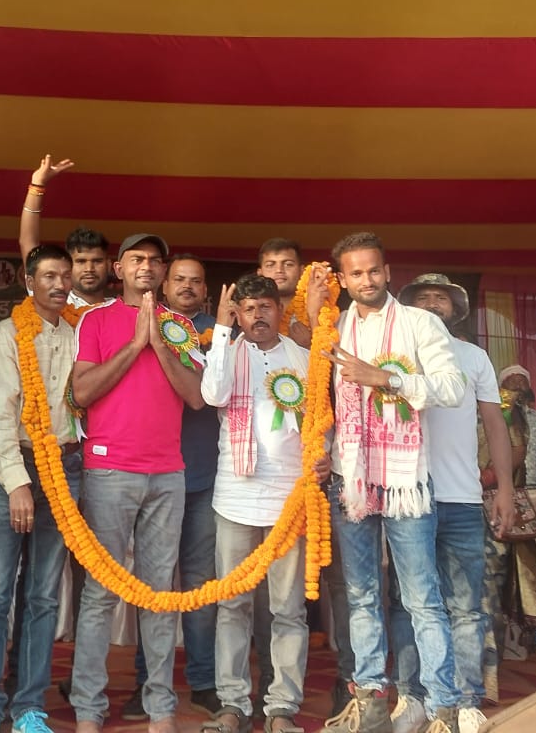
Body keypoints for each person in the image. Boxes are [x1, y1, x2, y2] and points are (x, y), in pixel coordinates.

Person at [322, 232, 465, 733]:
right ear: (343, 279)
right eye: (356, 273)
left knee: (421, 598)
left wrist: (385, 378)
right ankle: (370, 704)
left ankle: (443, 707)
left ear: (388, 271)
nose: (367, 280)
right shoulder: (333, 326)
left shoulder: (420, 322)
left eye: (374, 270)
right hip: (352, 480)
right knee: (360, 596)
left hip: (406, 481)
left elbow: (452, 387)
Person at [68, 234, 206, 733]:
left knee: (158, 593)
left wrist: (159, 343)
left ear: (163, 271)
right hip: (109, 469)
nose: (145, 266)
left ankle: (161, 709)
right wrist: (134, 344)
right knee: (101, 594)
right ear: (119, 269)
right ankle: (87, 709)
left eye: (154, 260)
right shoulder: (96, 319)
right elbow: (82, 391)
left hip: (167, 471)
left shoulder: (182, 325)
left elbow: (195, 397)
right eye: (136, 259)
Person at [199, 275, 326, 733]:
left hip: (288, 503)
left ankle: (281, 710)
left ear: (279, 310)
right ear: (239, 314)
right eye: (248, 308)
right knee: (232, 606)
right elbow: (211, 394)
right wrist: (220, 328)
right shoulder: (226, 352)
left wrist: (324, 457)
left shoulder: (303, 358)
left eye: (265, 307)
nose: (257, 315)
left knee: (287, 611)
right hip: (233, 500)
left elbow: (320, 426)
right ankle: (233, 704)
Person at [390, 274, 516, 733]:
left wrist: (503, 488)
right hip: (406, 495)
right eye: (420, 298)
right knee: (408, 604)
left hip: (461, 496)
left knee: (466, 606)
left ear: (456, 308)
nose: (431, 304)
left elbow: (495, 426)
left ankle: (464, 700)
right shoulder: (395, 354)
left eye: (439, 297)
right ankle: (413, 696)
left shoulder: (474, 357)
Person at [0, 244, 81, 733]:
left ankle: (30, 705)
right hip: (13, 466)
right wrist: (16, 482)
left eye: (66, 276)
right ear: (29, 280)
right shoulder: (7, 332)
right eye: (50, 276)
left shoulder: (80, 332)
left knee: (43, 597)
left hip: (64, 467)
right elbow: (0, 412)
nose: (60, 284)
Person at [123, 253, 220, 721]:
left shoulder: (221, 333)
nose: (186, 286)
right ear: (164, 285)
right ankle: (146, 682)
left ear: (205, 290)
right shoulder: (142, 322)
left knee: (199, 581)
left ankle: (203, 680)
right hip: (153, 473)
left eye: (195, 281)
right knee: (153, 584)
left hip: (201, 476)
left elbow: (207, 398)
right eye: (178, 279)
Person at [17, 155, 112, 308]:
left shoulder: (119, 308)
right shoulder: (54, 299)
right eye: (80, 261)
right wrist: (37, 186)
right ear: (67, 267)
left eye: (97, 261)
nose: (89, 269)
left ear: (109, 265)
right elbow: (28, 242)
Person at [256, 238, 312, 349]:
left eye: (288, 264)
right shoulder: (252, 313)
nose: (279, 270)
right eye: (270, 265)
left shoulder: (317, 310)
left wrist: (308, 345)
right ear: (260, 273)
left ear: (302, 271)